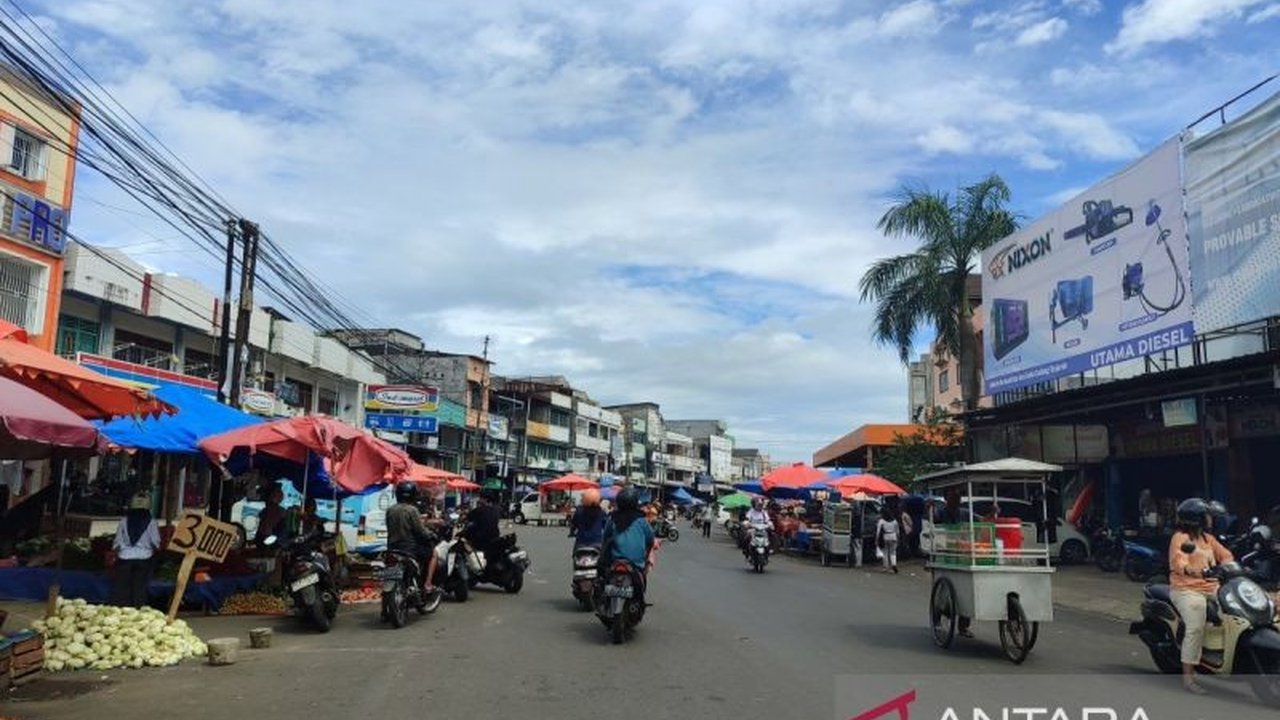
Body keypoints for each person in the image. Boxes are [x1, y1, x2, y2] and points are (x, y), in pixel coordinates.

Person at [1169, 497, 1234, 695]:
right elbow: (1178, 563)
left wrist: (1231, 566)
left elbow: (1226, 555)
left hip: (1212, 587)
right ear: (1196, 519)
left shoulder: (1208, 539)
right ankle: (1188, 677)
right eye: (1206, 516)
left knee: (1235, 612)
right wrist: (1193, 570)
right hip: (1187, 589)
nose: (1210, 519)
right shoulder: (1180, 538)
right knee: (1196, 625)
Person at [601, 488, 656, 594]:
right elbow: (650, 539)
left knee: (602, 575)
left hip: (614, 561)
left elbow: (605, 538)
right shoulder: (641, 520)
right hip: (636, 563)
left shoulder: (612, 518)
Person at [386, 481, 439, 592]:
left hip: (392, 547)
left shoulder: (390, 510)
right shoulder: (412, 510)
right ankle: (428, 583)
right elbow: (420, 531)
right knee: (434, 553)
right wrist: (432, 535)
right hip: (410, 548)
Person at [111, 495, 160, 607]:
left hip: (125, 558)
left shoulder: (124, 521)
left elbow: (117, 541)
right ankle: (138, 608)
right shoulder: (152, 522)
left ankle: (122, 610)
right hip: (144, 558)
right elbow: (155, 542)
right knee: (140, 587)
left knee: (122, 588)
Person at [461, 492, 501, 557]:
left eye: (481, 498)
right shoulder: (496, 510)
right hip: (495, 537)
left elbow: (467, 517)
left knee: (466, 539)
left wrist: (462, 518)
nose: (479, 500)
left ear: (485, 499)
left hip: (482, 539)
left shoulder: (479, 510)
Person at [876, 506, 900, 574]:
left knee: (885, 552)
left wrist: (877, 540)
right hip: (893, 536)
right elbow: (897, 531)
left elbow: (878, 531)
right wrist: (898, 538)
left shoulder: (881, 521)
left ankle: (885, 567)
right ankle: (894, 564)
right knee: (893, 552)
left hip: (885, 536)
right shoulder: (894, 521)